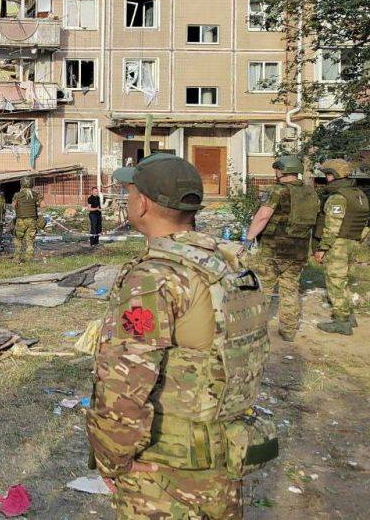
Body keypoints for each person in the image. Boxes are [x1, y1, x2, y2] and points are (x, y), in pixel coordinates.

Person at [86, 154, 275, 520]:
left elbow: (124, 383)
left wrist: (112, 458)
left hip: (168, 473)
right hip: (225, 458)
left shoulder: (156, 277)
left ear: (142, 203)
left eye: (130, 192)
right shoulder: (227, 262)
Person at [243, 154, 319, 342]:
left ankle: (255, 329)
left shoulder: (277, 190)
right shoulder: (311, 192)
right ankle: (288, 330)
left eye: (277, 168)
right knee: (290, 290)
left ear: (283, 170)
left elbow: (263, 216)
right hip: (298, 250)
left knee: (264, 290)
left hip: (273, 249)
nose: (275, 172)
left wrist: (248, 239)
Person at [313, 159, 369, 336]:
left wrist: (322, 248)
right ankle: (348, 314)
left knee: (335, 282)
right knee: (343, 281)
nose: (326, 178)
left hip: (338, 245)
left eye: (327, 174)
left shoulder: (338, 197)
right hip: (353, 243)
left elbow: (332, 227)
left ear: (333, 175)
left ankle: (341, 322)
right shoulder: (358, 194)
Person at [12, 177, 40, 262]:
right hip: (32, 220)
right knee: (30, 240)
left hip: (21, 220)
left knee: (18, 239)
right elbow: (43, 205)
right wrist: (35, 204)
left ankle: (16, 259)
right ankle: (29, 259)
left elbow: (14, 205)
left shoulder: (17, 195)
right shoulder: (36, 194)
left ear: (21, 184)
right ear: (32, 184)